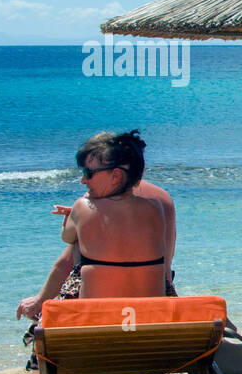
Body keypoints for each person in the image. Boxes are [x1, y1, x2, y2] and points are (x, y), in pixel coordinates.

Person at [16, 130, 173, 321]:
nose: (83, 180)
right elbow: (124, 229)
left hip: (96, 326)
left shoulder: (83, 207)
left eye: (88, 173)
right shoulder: (156, 207)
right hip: (150, 321)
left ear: (115, 176)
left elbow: (66, 237)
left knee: (76, 248)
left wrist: (74, 217)